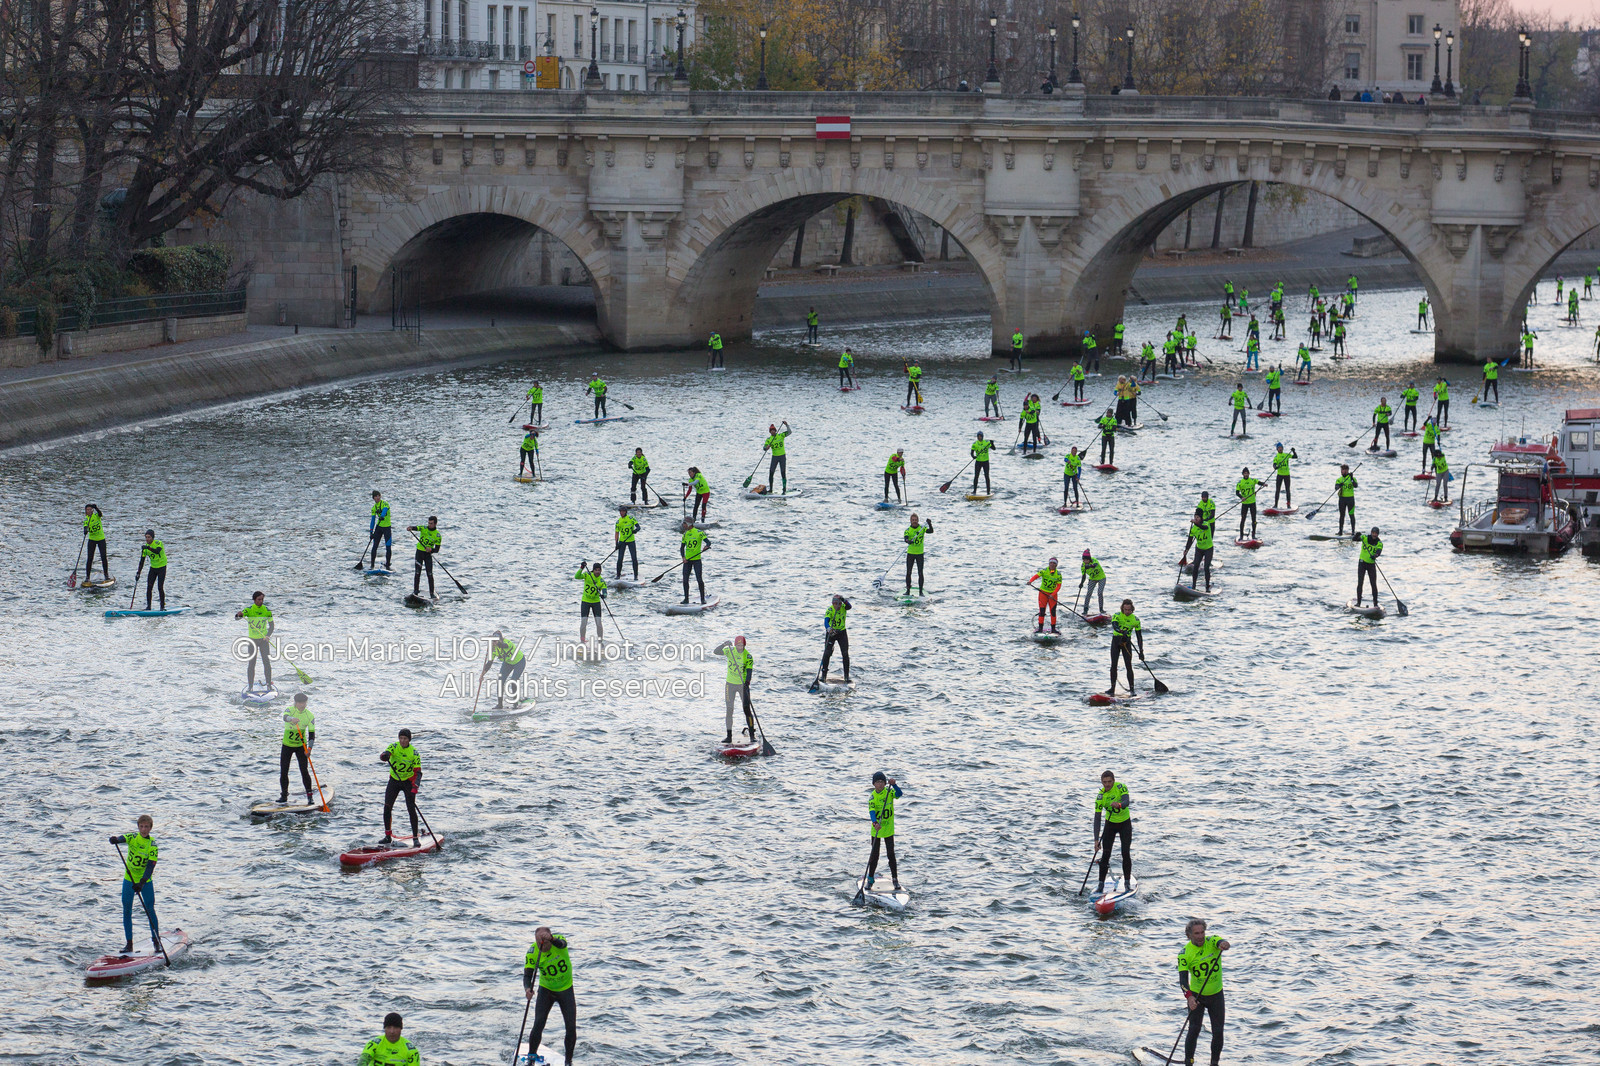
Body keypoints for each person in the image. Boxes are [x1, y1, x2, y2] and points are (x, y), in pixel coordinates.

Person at [1178, 919, 1232, 1066]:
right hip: (1196, 996)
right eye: (1196, 933)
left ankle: (1214, 1063)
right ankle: (1189, 1062)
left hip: (1216, 995)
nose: (1200, 936)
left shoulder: (1211, 941)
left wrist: (1224, 944)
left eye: (1202, 932)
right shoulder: (1184, 954)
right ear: (1189, 935)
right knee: (1194, 1029)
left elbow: (1220, 941)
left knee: (1218, 1031)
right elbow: (1183, 980)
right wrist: (1189, 997)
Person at [523, 928, 577, 1066]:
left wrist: (551, 939)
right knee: (539, 1023)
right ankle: (531, 1059)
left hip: (565, 989)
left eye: (545, 944)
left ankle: (568, 1061)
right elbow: (527, 975)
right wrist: (528, 989)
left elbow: (562, 944)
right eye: (539, 943)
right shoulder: (533, 952)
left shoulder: (558, 940)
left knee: (570, 1027)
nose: (542, 947)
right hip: (546, 990)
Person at [110, 813, 160, 955]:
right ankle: (129, 944)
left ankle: (156, 942)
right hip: (129, 879)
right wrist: (115, 840)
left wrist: (142, 883)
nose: (143, 829)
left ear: (150, 828)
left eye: (146, 827)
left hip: (145, 881)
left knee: (150, 909)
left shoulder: (152, 845)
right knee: (127, 910)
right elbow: (122, 838)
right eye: (141, 826)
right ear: (138, 827)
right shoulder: (133, 837)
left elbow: (151, 866)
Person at [379, 729, 421, 846]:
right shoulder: (393, 746)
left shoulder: (414, 753)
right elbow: (386, 753)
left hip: (407, 782)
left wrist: (415, 787)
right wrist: (384, 756)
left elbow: (418, 773)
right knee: (387, 807)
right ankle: (388, 836)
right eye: (401, 738)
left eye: (405, 739)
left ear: (409, 740)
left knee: (411, 809)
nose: (402, 741)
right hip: (394, 781)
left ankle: (415, 838)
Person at [1093, 770, 1132, 893]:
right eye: (1104, 782)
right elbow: (1097, 818)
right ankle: (1100, 885)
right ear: (1101, 782)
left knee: (1125, 852)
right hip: (1110, 825)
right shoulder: (1100, 797)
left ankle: (1127, 883)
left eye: (1109, 782)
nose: (1107, 785)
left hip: (1125, 824)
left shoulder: (1121, 787)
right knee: (1105, 854)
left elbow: (1126, 801)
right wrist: (1096, 839)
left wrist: (1119, 805)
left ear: (1113, 781)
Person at [712, 636, 755, 743]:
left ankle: (752, 736)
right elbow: (716, 652)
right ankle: (729, 736)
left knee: (746, 709)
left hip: (743, 685)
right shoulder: (729, 651)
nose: (740, 647)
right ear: (735, 645)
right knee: (729, 710)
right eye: (738, 645)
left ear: (744, 646)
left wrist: (747, 682)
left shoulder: (748, 656)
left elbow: (749, 671)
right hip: (730, 684)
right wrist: (723, 644)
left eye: (742, 646)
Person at [866, 771, 902, 890]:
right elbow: (871, 812)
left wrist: (895, 785)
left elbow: (899, 794)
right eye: (877, 782)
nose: (880, 784)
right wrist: (875, 823)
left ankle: (895, 879)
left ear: (885, 783)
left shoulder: (889, 792)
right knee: (874, 856)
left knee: (891, 854)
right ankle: (870, 879)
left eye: (882, 782)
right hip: (876, 829)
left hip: (888, 829)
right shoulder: (872, 797)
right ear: (874, 784)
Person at [278, 692, 315, 805]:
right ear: (295, 702)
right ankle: (284, 796)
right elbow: (285, 717)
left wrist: (309, 749)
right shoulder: (290, 710)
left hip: (301, 747)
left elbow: (312, 734)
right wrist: (291, 719)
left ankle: (309, 796)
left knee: (304, 771)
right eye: (299, 703)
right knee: (284, 771)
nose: (302, 705)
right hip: (287, 746)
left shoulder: (309, 716)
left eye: (304, 703)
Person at [235, 591, 274, 692]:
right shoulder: (249, 610)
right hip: (252, 641)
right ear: (254, 600)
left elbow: (272, 626)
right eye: (259, 600)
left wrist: (267, 636)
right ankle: (250, 687)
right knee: (252, 663)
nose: (261, 601)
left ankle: (269, 685)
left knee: (267, 663)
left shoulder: (267, 611)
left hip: (263, 641)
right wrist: (238, 614)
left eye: (262, 599)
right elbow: (237, 618)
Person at [481, 630, 526, 710]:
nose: (494, 643)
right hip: (508, 663)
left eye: (496, 640)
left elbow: (503, 646)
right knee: (500, 682)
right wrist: (482, 675)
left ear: (500, 639)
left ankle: (516, 704)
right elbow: (489, 664)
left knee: (513, 681)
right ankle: (500, 705)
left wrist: (496, 642)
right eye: (493, 641)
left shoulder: (507, 642)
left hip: (519, 661)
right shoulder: (493, 650)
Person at [1107, 598, 1143, 696]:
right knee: (1113, 665)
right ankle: (1112, 688)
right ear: (1122, 609)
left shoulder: (1136, 620)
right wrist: (1121, 631)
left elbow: (1139, 637)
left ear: (1132, 610)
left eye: (1129, 610)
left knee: (1129, 666)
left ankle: (1132, 689)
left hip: (1126, 643)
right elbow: (1114, 625)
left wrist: (1141, 651)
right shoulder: (1117, 615)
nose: (1127, 612)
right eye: (1125, 609)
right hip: (1116, 641)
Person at [406, 517, 440, 600]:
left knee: (430, 574)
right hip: (419, 553)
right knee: (417, 573)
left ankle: (432, 593)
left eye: (431, 523)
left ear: (435, 524)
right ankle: (415, 591)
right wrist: (410, 528)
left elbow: (437, 550)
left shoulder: (437, 535)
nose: (429, 525)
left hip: (428, 555)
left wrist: (431, 550)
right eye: (428, 523)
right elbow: (415, 527)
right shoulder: (424, 528)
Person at [1180, 509, 1215, 592]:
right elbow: (1190, 540)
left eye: (1198, 517)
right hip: (1199, 549)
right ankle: (1194, 585)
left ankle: (1207, 586)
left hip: (1208, 549)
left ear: (1201, 518)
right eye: (1195, 517)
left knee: (1206, 567)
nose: (1196, 519)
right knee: (1195, 567)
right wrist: (1186, 550)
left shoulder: (1206, 524)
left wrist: (1196, 523)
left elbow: (1202, 527)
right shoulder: (1193, 528)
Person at [1028, 557, 1063, 633]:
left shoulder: (1059, 575)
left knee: (1053, 611)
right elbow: (1036, 576)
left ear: (1056, 565)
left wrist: (1053, 594)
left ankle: (1053, 629)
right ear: (1049, 563)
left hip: (1053, 595)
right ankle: (1040, 628)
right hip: (1043, 594)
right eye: (1051, 563)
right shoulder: (1044, 571)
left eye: (1054, 563)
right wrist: (1030, 581)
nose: (1052, 564)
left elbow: (1059, 586)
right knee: (1042, 611)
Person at [821, 595, 851, 682]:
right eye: (836, 604)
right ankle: (823, 675)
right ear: (833, 604)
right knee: (827, 653)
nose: (838, 606)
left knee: (845, 654)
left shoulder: (843, 608)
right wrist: (829, 629)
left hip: (842, 633)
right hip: (832, 633)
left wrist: (843, 600)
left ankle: (846, 676)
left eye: (839, 604)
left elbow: (849, 606)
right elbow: (826, 621)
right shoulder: (830, 610)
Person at [574, 560, 606, 642]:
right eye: (596, 570)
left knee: (599, 623)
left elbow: (605, 591)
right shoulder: (588, 575)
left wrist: (603, 595)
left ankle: (600, 640)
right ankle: (582, 640)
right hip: (585, 602)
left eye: (599, 570)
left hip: (596, 603)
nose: (597, 572)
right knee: (583, 623)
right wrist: (582, 567)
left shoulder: (601, 580)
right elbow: (577, 576)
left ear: (601, 571)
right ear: (593, 570)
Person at [680, 519, 708, 605]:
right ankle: (686, 599)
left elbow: (708, 542)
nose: (683, 525)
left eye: (684, 524)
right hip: (687, 561)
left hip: (697, 560)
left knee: (699, 579)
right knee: (685, 580)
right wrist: (683, 557)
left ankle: (703, 599)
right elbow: (681, 548)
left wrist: (706, 546)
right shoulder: (685, 534)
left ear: (689, 524)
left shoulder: (699, 532)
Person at [903, 514, 932, 595]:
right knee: (909, 572)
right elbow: (905, 538)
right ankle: (908, 591)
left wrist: (929, 524)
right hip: (910, 554)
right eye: (913, 520)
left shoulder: (922, 528)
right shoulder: (908, 530)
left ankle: (920, 592)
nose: (914, 521)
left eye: (916, 520)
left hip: (920, 554)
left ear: (918, 520)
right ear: (910, 521)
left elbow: (931, 531)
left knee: (920, 572)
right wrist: (908, 541)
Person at [139, 529, 168, 611]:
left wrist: (148, 547)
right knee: (149, 587)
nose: (147, 539)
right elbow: (142, 561)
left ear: (153, 538)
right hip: (153, 568)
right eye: (146, 537)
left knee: (160, 587)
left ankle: (162, 607)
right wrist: (138, 573)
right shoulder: (145, 548)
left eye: (149, 537)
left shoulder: (158, 543)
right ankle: (148, 607)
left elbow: (157, 551)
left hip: (162, 567)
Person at [82, 504, 110, 583]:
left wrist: (96, 508)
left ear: (92, 510)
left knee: (103, 557)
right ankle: (87, 577)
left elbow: (101, 514)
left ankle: (106, 575)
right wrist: (85, 530)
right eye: (87, 510)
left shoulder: (96, 516)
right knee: (90, 558)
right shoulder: (86, 519)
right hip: (92, 540)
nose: (89, 511)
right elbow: (85, 526)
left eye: (90, 509)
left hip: (101, 539)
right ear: (86, 511)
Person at [1355, 526, 1383, 606]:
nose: (1374, 535)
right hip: (1362, 563)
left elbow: (1379, 551)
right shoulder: (1365, 538)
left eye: (1376, 533)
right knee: (1360, 583)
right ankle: (1358, 602)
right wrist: (1356, 535)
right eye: (1373, 533)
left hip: (1371, 565)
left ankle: (1375, 604)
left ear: (1378, 534)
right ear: (1371, 532)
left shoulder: (1379, 543)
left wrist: (1375, 556)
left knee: (1373, 584)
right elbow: (1354, 540)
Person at [764, 421, 792, 494]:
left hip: (782, 457)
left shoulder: (781, 435)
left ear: (775, 430)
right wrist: (766, 447)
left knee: (783, 473)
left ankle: (784, 489)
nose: (772, 432)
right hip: (775, 457)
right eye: (771, 431)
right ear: (770, 432)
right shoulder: (769, 439)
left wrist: (787, 425)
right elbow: (764, 448)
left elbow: (790, 432)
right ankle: (770, 489)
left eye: (773, 430)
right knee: (771, 472)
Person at [613, 505, 640, 580]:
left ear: (626, 512)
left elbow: (638, 527)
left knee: (634, 558)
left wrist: (635, 530)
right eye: (620, 511)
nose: (621, 513)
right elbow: (617, 533)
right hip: (622, 542)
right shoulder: (618, 521)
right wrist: (616, 543)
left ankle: (636, 576)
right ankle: (618, 575)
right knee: (620, 559)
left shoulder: (631, 518)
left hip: (631, 541)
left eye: (623, 511)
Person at [368, 490, 393, 570]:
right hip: (378, 528)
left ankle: (388, 565)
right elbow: (373, 520)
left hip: (387, 528)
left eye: (378, 496)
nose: (377, 497)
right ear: (373, 498)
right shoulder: (374, 508)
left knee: (388, 547)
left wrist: (382, 516)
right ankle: (372, 565)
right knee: (374, 546)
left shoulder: (385, 503)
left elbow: (385, 509)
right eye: (376, 496)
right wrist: (371, 531)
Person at [1235, 468, 1261, 540]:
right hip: (1245, 503)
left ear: (1249, 473)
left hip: (1252, 503)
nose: (1246, 474)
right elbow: (1237, 493)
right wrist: (1241, 497)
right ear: (1242, 474)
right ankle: (1241, 535)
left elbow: (1259, 482)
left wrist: (1264, 484)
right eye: (1244, 473)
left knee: (1254, 519)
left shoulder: (1252, 480)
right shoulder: (1240, 482)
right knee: (1243, 519)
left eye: (1247, 473)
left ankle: (1253, 535)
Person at [1079, 549, 1107, 615]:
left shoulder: (1094, 560)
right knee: (1088, 593)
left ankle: (1101, 609)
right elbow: (1084, 576)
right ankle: (1085, 610)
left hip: (1101, 578)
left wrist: (1089, 566)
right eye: (1084, 560)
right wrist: (1081, 583)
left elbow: (1095, 565)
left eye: (1087, 560)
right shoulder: (1083, 566)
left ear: (1089, 559)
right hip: (1092, 579)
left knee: (1100, 593)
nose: (1085, 561)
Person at [1335, 465, 1359, 537]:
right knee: (1342, 515)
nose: (1343, 471)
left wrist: (1351, 478)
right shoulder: (1339, 479)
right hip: (1342, 499)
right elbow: (1336, 488)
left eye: (1345, 470)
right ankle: (1340, 531)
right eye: (1342, 470)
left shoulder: (1352, 478)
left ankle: (1353, 531)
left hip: (1350, 499)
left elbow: (1355, 485)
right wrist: (1339, 485)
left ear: (1348, 470)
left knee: (1351, 515)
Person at [1271, 443, 1296, 508]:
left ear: (1283, 448)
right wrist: (1275, 467)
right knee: (1277, 490)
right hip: (1279, 475)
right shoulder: (1276, 457)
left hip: (1287, 475)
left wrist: (1293, 451)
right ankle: (1276, 505)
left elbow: (1295, 457)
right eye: (1279, 448)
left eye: (1281, 447)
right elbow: (1274, 464)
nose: (1280, 449)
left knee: (1287, 490)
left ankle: (1288, 505)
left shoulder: (1286, 455)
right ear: (1277, 449)